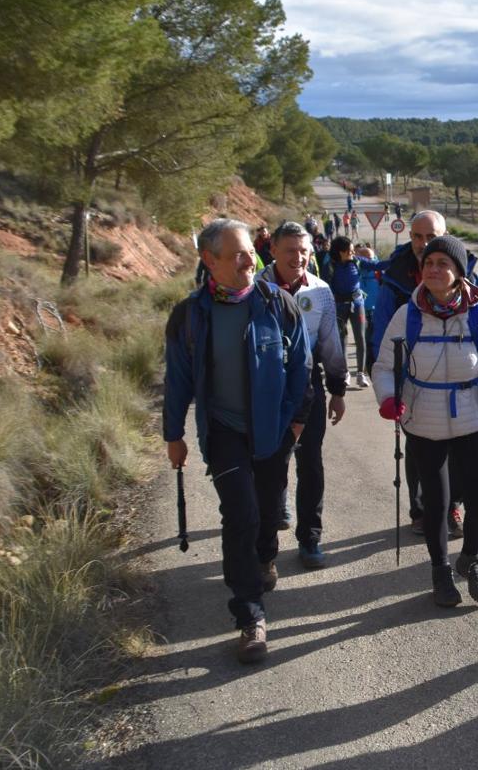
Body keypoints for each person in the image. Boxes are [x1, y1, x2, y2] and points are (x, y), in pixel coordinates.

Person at [163, 219, 312, 664]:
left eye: (252, 252)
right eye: (238, 255)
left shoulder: (278, 303)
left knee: (268, 511)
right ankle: (249, 615)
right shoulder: (189, 316)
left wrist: (296, 422)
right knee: (241, 513)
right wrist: (173, 434)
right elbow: (179, 380)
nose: (250, 261)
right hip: (224, 431)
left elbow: (302, 369)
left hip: (273, 429)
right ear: (210, 261)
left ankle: (265, 555)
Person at [373, 235, 478, 607]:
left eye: (442, 264)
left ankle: (472, 559)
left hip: (470, 423)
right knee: (437, 503)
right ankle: (440, 570)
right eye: (429, 263)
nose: (433, 269)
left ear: (459, 272)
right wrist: (387, 398)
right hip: (423, 423)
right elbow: (384, 366)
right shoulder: (408, 314)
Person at [368, 210, 478, 537]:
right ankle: (422, 510)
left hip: (458, 377)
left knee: (459, 449)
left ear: (446, 235)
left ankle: (451, 506)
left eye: (431, 236)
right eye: (417, 236)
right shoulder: (396, 275)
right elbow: (381, 330)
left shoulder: (465, 270)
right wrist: (387, 384)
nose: (423, 243)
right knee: (418, 451)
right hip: (411, 378)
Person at [259, 221, 348, 568]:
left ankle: (310, 537)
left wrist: (338, 391)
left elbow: (331, 345)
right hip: (265, 389)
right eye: (290, 250)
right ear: (273, 251)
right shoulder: (254, 287)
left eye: (303, 251)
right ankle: (268, 528)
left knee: (310, 462)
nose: (297, 258)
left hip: (308, 387)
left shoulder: (321, 291)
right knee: (269, 463)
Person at [323, 235, 386, 389]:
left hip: (357, 304)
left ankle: (360, 374)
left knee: (361, 339)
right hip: (339, 306)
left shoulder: (357, 261)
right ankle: (344, 373)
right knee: (341, 339)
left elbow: (377, 265)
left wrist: (398, 259)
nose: (353, 252)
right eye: (350, 250)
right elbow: (326, 287)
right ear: (340, 252)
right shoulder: (330, 266)